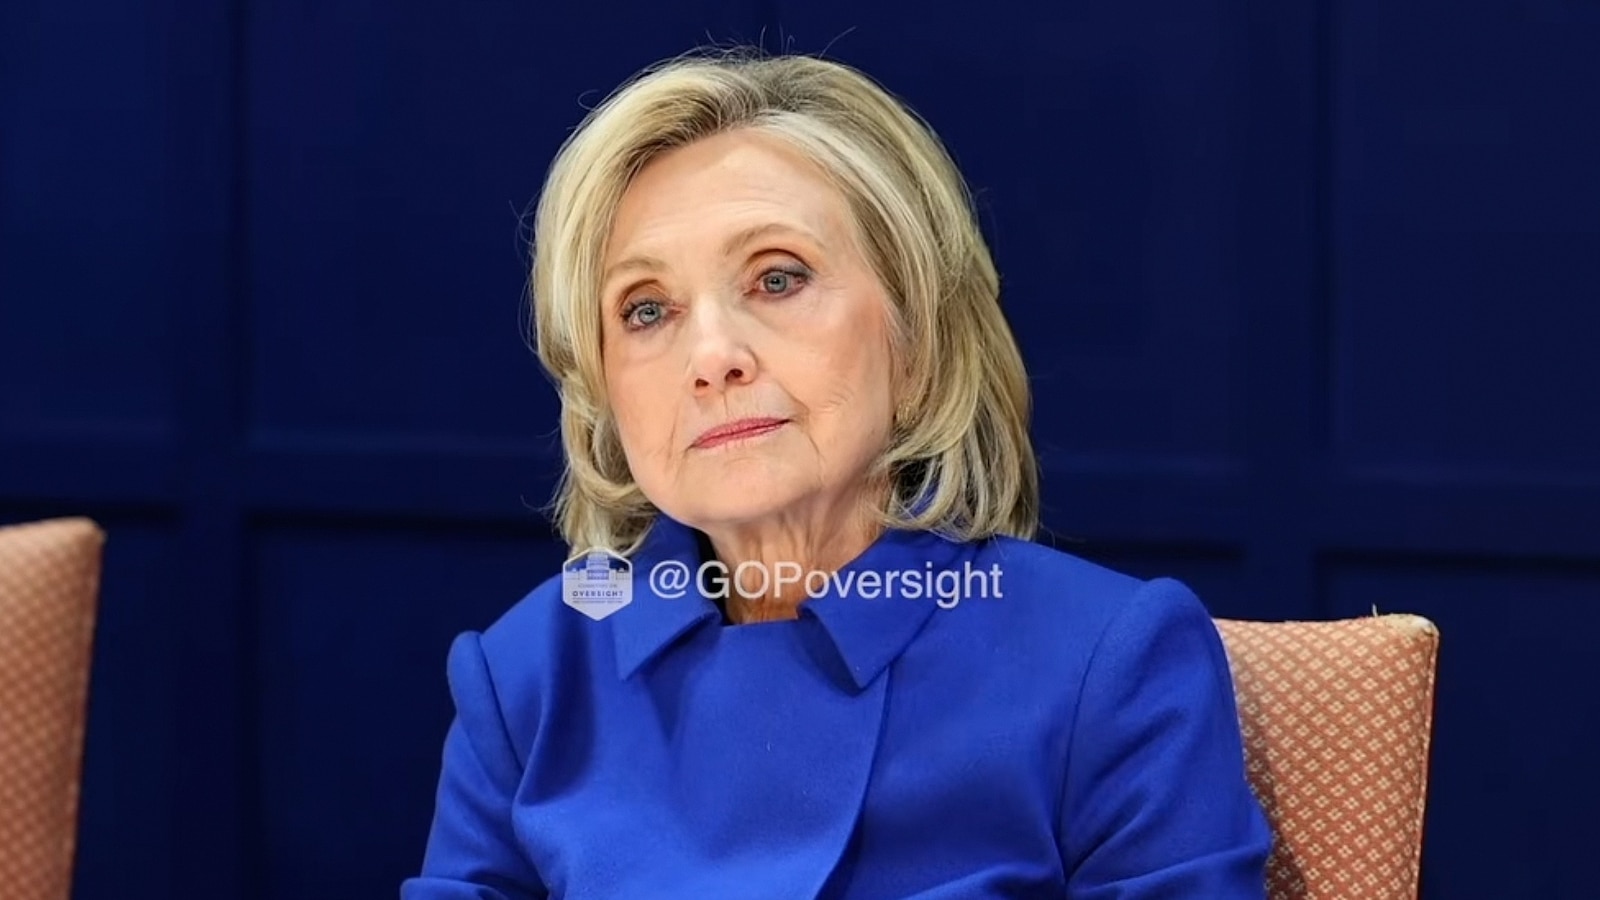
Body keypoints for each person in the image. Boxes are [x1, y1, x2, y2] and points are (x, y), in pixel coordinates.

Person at [402, 48, 1272, 899]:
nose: (711, 356)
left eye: (777, 279)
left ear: (916, 338)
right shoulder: (524, 680)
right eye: (648, 309)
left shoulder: (1109, 665)